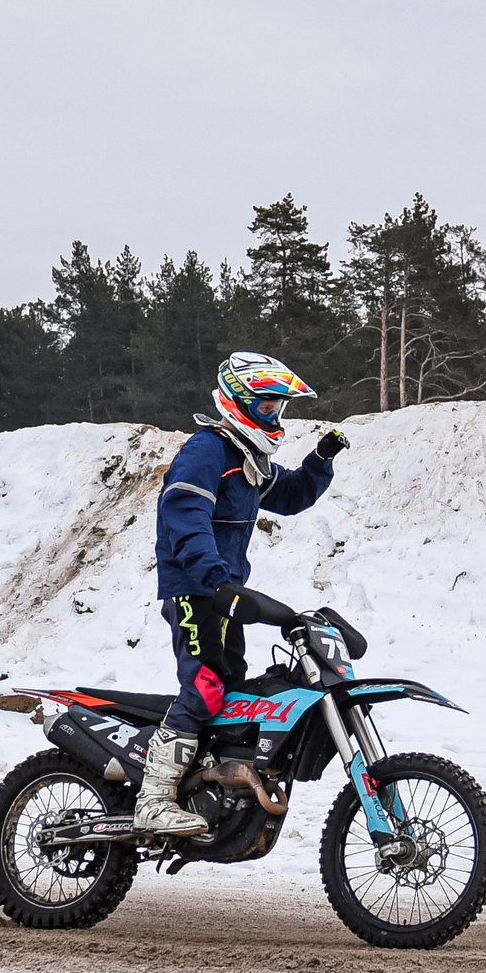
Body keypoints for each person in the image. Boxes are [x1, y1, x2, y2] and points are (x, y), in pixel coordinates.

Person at [137, 352, 347, 837]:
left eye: (279, 407)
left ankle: (207, 784)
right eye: (268, 405)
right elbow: (184, 514)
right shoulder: (208, 451)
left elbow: (290, 495)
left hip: (223, 590)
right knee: (206, 684)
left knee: (231, 687)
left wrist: (321, 460)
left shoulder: (248, 457)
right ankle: (153, 799)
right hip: (195, 587)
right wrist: (211, 576)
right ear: (239, 402)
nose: (275, 415)